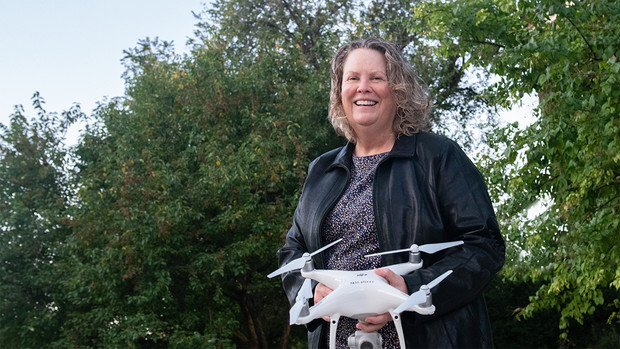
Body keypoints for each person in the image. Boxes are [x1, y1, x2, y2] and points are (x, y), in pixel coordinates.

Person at [276, 38, 505, 348]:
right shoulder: (321, 170)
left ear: (398, 90)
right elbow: (294, 249)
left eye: (376, 77)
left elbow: (484, 245)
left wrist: (410, 290)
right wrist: (310, 290)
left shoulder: (438, 157)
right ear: (340, 92)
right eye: (353, 78)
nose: (363, 87)